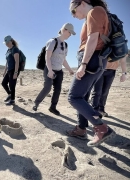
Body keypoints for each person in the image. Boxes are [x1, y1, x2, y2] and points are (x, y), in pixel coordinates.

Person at [66, 0, 116, 147]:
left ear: (81, 3)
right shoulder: (96, 13)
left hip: (92, 60)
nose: (73, 16)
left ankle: (101, 128)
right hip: (95, 60)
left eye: (73, 11)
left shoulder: (95, 11)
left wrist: (83, 64)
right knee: (82, 97)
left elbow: (92, 40)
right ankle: (81, 129)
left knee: (73, 97)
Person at [33, 23, 75, 115]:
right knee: (47, 88)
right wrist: (50, 71)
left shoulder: (66, 45)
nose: (70, 35)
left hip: (59, 71)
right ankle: (36, 103)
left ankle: (53, 107)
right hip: (49, 69)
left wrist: (70, 70)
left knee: (58, 89)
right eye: (69, 32)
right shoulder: (52, 41)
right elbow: (47, 57)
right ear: (64, 30)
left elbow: (63, 60)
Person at [2, 35, 21, 105]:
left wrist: (16, 72)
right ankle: (10, 94)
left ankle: (12, 100)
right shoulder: (8, 50)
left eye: (8, 42)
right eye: (6, 43)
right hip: (9, 70)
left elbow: (17, 61)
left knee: (12, 85)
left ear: (11, 41)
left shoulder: (15, 49)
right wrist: (4, 71)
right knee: (3, 83)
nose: (6, 44)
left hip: (14, 70)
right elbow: (7, 62)